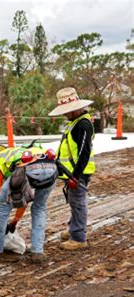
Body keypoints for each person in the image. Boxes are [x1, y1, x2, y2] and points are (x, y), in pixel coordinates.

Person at [0, 144, 58, 263]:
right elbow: (23, 198)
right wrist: (14, 221)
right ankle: (37, 252)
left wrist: (4, 226)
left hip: (29, 168)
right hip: (51, 168)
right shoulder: (15, 154)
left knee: (0, 206)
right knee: (39, 208)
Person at [48, 87, 96, 251]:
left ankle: (78, 237)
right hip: (70, 172)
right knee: (74, 202)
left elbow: (84, 152)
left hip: (77, 173)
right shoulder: (75, 123)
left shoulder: (83, 125)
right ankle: (73, 228)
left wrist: (75, 176)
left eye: (67, 111)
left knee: (78, 203)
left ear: (76, 109)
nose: (65, 114)